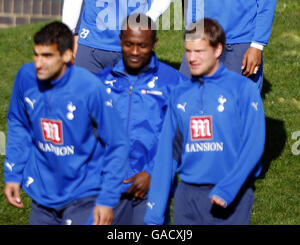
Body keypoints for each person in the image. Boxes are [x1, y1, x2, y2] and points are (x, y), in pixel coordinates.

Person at [3, 21, 128, 225]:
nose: (38, 63)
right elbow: (19, 124)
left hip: (84, 195)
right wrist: (13, 174)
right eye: (36, 54)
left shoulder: (89, 89)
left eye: (47, 56)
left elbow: (117, 143)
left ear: (68, 55)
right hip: (43, 196)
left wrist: (107, 200)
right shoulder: (26, 78)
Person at [144, 18, 266, 225]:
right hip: (187, 197)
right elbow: (167, 154)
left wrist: (229, 188)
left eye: (199, 51)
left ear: (218, 50)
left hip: (230, 196)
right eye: (188, 51)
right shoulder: (179, 93)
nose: (191, 58)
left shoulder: (242, 90)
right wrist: (154, 211)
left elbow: (253, 145)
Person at [96, 13, 186, 225]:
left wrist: (154, 174)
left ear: (155, 43)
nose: (135, 52)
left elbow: (181, 138)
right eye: (129, 44)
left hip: (151, 188)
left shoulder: (173, 83)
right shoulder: (99, 83)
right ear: (120, 40)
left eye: (142, 46)